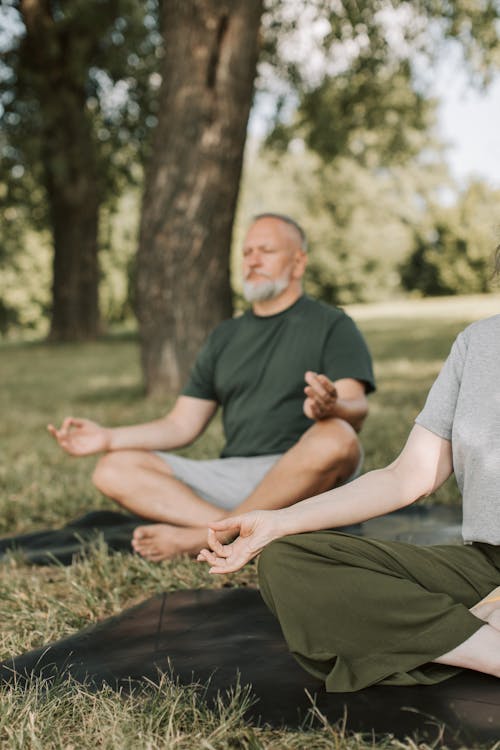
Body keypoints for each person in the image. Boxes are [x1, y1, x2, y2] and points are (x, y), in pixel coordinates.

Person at [198, 303, 500, 690]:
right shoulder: (477, 343)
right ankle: (487, 650)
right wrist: (280, 520)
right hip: (486, 565)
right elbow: (406, 475)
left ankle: (455, 631)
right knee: (288, 561)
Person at [49, 213, 375, 562]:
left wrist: (333, 407)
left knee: (337, 437)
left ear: (298, 262)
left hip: (306, 473)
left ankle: (202, 536)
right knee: (113, 468)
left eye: (266, 250)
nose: (253, 259)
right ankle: (231, 531)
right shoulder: (225, 337)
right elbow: (181, 425)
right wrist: (109, 438)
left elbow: (356, 411)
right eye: (247, 252)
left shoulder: (333, 324)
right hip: (236, 475)